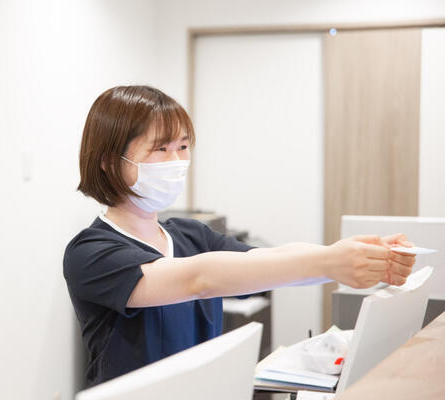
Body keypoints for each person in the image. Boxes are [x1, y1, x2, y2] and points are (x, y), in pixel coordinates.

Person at [63, 85, 416, 387]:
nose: (176, 160)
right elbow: (197, 279)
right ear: (110, 161)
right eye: (160, 148)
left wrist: (349, 258)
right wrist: (331, 261)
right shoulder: (91, 253)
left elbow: (264, 261)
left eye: (182, 147)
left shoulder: (190, 235)